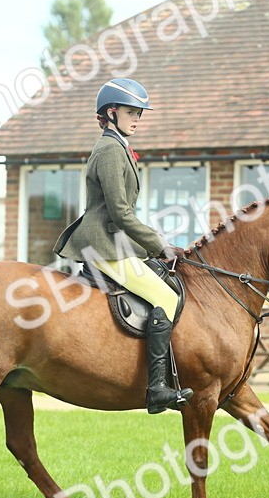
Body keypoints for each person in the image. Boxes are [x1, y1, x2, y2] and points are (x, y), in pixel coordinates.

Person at [53, 78, 194, 414]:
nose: (137, 119)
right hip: (103, 245)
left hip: (114, 242)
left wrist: (155, 248)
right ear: (111, 112)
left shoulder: (117, 147)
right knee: (165, 297)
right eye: (132, 112)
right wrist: (160, 245)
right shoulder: (110, 150)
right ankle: (157, 388)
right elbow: (120, 212)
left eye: (140, 114)